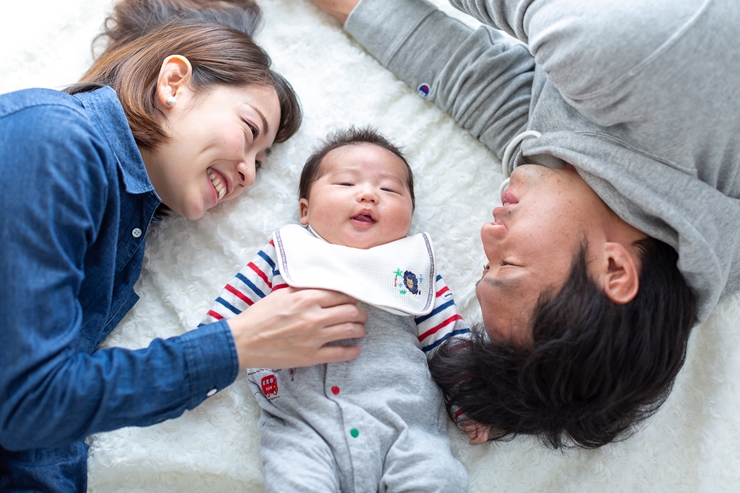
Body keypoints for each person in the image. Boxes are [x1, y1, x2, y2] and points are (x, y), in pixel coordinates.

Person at [311, 0, 740, 448]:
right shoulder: (628, 56)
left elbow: (464, 77)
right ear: (614, 270)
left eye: (485, 266)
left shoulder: (588, 188)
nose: (487, 233)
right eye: (508, 264)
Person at [0, 0, 367, 490]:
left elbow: (42, 427)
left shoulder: (124, 234)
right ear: (173, 82)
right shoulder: (57, 139)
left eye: (263, 161)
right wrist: (238, 343)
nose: (249, 174)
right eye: (250, 132)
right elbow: (31, 403)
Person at [199, 126, 471, 492]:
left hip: (405, 424)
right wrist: (201, 364)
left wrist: (468, 401)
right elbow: (231, 309)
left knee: (436, 478)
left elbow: (449, 340)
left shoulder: (412, 268)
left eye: (389, 189)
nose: (368, 195)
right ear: (305, 211)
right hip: (302, 425)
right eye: (346, 184)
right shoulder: (288, 251)